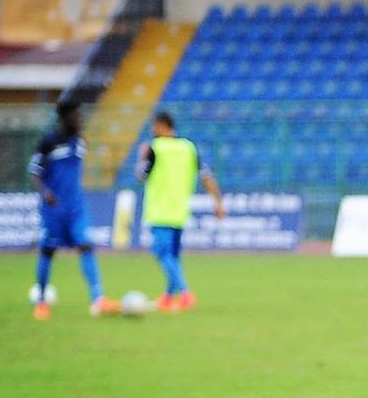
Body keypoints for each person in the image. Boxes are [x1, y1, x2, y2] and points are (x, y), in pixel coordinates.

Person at [29, 100, 119, 320]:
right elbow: (34, 171)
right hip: (54, 210)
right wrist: (45, 192)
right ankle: (41, 301)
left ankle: (98, 298)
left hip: (77, 208)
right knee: (48, 252)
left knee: (86, 246)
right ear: (64, 118)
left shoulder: (79, 142)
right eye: (76, 116)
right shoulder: (49, 142)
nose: (80, 120)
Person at [136, 111, 224, 311]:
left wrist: (141, 158)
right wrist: (218, 202)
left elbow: (141, 175)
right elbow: (206, 176)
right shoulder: (188, 147)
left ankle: (185, 293)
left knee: (162, 253)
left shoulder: (155, 148)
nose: (152, 130)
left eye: (154, 126)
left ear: (160, 125)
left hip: (159, 211)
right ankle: (168, 296)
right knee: (173, 257)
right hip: (179, 211)